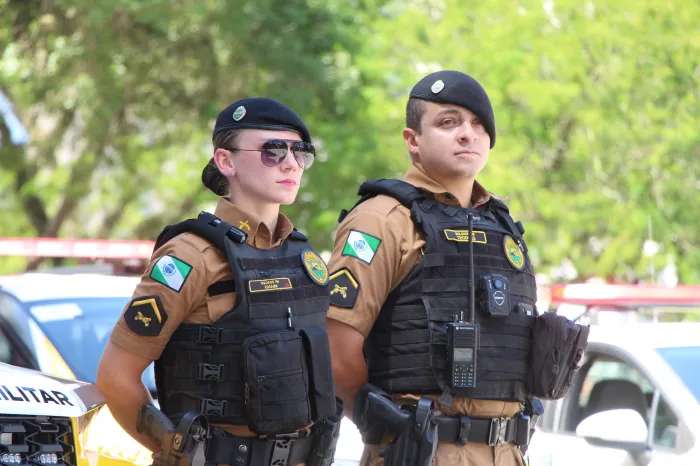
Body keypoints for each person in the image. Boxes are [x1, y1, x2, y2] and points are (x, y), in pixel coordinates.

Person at [97, 97, 340, 466]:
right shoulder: (190, 255)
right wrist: (177, 452)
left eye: (300, 152)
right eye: (273, 151)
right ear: (226, 161)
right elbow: (116, 377)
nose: (291, 163)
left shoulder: (304, 259)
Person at [326, 71, 539, 466]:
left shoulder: (504, 226)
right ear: (413, 140)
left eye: (478, 124)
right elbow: (337, 347)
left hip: (508, 452)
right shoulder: (381, 220)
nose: (467, 134)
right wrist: (384, 427)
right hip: (420, 451)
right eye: (448, 122)